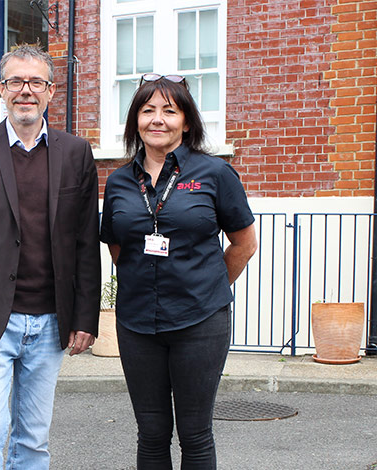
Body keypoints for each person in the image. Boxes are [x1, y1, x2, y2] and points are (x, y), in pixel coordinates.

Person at [0, 43, 101, 470]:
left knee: (33, 444)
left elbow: (86, 242)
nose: (25, 91)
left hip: (50, 322)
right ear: (1, 89)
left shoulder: (75, 152)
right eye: (16, 81)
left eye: (35, 82)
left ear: (50, 90)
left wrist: (86, 318)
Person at [100, 73, 258, 469]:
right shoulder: (119, 182)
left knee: (195, 433)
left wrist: (206, 285)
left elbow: (244, 243)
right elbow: (118, 245)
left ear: (186, 122)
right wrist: (145, 277)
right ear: (135, 119)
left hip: (200, 321)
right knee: (151, 434)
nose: (158, 119)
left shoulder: (214, 174)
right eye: (147, 110)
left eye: (169, 111)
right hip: (137, 324)